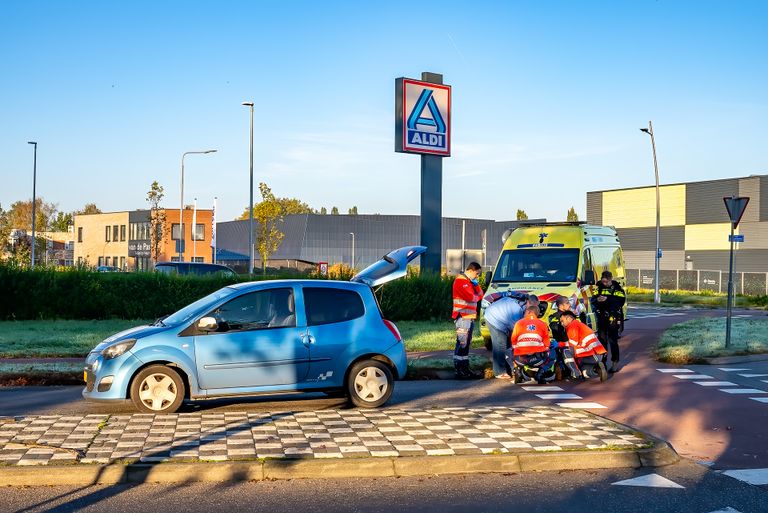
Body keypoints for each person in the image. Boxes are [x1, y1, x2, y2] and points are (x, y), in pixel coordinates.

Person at [483, 292, 538, 379]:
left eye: (535, 307)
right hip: (494, 317)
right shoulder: (516, 311)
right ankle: (499, 372)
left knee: (508, 345)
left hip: (502, 315)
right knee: (500, 344)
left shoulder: (524, 307)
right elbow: (516, 331)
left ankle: (508, 368)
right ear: (527, 302)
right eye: (531, 306)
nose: (532, 309)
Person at [452, 262, 484, 379]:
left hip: (468, 317)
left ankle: (464, 369)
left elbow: (481, 295)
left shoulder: (469, 282)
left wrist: (476, 286)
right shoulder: (461, 281)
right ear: (471, 270)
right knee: (462, 344)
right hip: (463, 317)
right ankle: (460, 370)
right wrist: (476, 297)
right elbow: (471, 297)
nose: (477, 276)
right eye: (477, 273)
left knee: (464, 344)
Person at [510, 305, 556, 384]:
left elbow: (513, 340)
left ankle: (517, 371)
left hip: (520, 359)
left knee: (508, 351)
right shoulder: (542, 324)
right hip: (538, 358)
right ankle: (541, 372)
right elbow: (547, 343)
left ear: (528, 312)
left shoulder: (518, 323)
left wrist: (517, 350)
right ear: (537, 314)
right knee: (553, 352)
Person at [592, 270, 626, 373]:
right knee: (602, 340)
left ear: (611, 279)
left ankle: (615, 362)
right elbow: (593, 299)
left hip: (613, 317)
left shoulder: (617, 288)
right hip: (601, 316)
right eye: (603, 281)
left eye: (606, 282)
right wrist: (598, 300)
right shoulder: (598, 287)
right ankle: (602, 363)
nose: (604, 283)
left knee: (612, 340)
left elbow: (620, 302)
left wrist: (607, 299)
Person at [559, 310, 608, 382]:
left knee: (566, 351)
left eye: (562, 321)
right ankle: (597, 370)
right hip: (597, 355)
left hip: (590, 353)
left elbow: (573, 343)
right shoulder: (579, 324)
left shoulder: (572, 326)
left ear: (569, 318)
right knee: (584, 372)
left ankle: (575, 374)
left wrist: (559, 344)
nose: (561, 323)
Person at [548, 296, 581, 378]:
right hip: (562, 344)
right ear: (560, 306)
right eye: (567, 303)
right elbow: (554, 327)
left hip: (574, 342)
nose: (569, 305)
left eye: (569, 303)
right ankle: (568, 371)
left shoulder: (572, 315)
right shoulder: (555, 316)